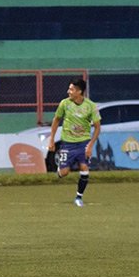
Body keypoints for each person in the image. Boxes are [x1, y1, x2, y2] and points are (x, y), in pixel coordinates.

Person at [47, 78, 101, 207]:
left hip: (83, 142)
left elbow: (98, 127)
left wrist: (90, 145)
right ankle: (60, 169)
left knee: (84, 168)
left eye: (71, 89)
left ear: (79, 91)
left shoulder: (91, 106)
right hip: (68, 143)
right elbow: (56, 120)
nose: (68, 91)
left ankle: (78, 197)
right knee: (64, 173)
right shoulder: (64, 104)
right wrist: (52, 139)